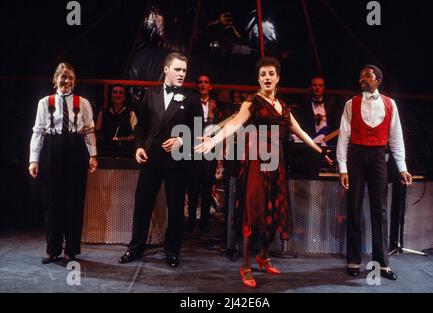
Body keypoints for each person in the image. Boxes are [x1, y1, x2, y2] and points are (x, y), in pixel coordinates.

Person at [195, 57, 331, 288]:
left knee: (273, 209)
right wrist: (213, 140)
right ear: (258, 78)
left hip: (275, 164)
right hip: (256, 163)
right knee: (253, 209)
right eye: (262, 74)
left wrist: (320, 152)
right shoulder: (252, 102)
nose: (267, 78)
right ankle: (246, 265)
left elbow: (300, 131)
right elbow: (234, 124)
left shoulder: (283, 106)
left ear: (278, 78)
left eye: (270, 74)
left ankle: (263, 257)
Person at [118, 52, 202, 268]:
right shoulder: (150, 94)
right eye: (177, 69)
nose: (182, 73)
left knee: (175, 209)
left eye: (184, 70)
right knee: (142, 205)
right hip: (151, 159)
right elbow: (140, 127)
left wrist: (181, 141)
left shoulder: (192, 98)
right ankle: (135, 248)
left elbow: (199, 131)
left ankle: (172, 251)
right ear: (166, 69)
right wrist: (138, 148)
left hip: (177, 161)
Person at [336, 65, 413, 280]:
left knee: (380, 211)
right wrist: (343, 168)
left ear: (377, 80)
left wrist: (403, 168)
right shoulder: (351, 104)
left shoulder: (390, 104)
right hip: (356, 157)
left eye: (367, 75)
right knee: (354, 208)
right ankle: (353, 260)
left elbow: (396, 137)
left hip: (379, 157)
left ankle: (382, 263)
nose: (362, 78)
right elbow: (343, 136)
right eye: (360, 75)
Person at [29, 63, 98, 264]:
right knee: (52, 202)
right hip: (52, 149)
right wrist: (34, 159)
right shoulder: (45, 102)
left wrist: (92, 155)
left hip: (75, 150)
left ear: (74, 82)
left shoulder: (82, 102)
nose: (67, 81)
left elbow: (89, 131)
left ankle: (72, 250)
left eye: (71, 78)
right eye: (63, 77)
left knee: (74, 201)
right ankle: (52, 249)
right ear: (55, 79)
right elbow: (38, 131)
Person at [185, 75, 219, 233]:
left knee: (207, 186)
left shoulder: (217, 104)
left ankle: (204, 221)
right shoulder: (191, 102)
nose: (203, 85)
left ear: (210, 86)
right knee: (192, 186)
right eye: (200, 82)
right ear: (196, 86)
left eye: (206, 82)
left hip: (211, 148)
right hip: (193, 147)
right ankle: (191, 219)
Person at [95, 84, 137, 158]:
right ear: (111, 95)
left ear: (125, 96)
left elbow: (136, 134)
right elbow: (97, 132)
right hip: (106, 152)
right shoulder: (103, 113)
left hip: (125, 153)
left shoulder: (130, 113)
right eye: (115, 92)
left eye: (121, 92)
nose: (118, 95)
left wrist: (121, 139)